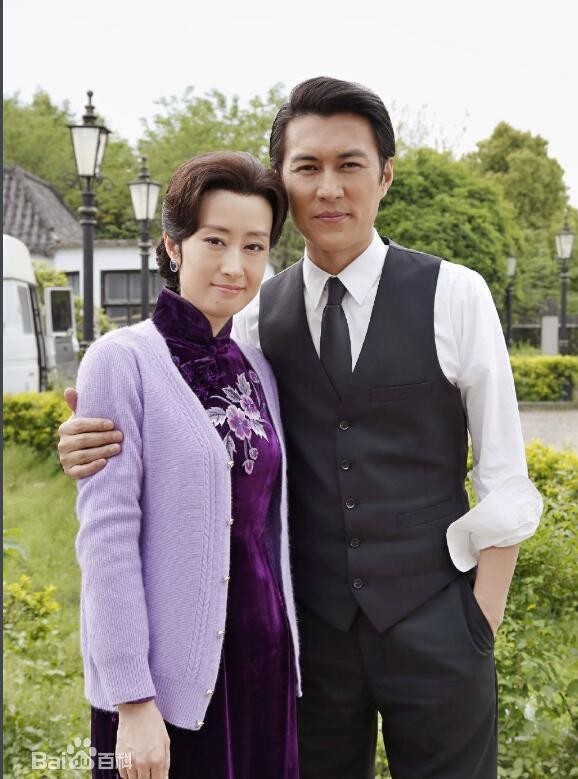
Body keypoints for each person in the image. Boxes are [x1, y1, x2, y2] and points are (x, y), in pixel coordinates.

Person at [59, 78, 543, 779]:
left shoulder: (455, 293)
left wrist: (478, 622)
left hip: (439, 626)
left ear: (385, 175)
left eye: (350, 165)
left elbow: (503, 471)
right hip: (307, 644)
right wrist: (89, 438)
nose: (329, 188)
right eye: (307, 167)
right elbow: (190, 427)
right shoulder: (255, 316)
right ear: (283, 181)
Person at [70, 151, 301, 779]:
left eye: (254, 246)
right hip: (171, 679)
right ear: (174, 246)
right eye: (215, 241)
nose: (235, 265)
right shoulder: (122, 361)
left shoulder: (257, 367)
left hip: (263, 659)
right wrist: (132, 700)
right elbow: (107, 539)